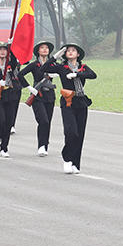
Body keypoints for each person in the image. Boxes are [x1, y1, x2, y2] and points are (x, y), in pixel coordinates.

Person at [38, 43, 96, 174]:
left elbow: (93, 75)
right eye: (68, 51)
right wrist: (55, 57)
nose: (70, 52)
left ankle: (76, 163)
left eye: (73, 50)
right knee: (71, 132)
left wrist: (77, 75)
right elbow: (43, 69)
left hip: (81, 101)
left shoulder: (83, 67)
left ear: (78, 54)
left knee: (80, 134)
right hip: (68, 102)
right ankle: (67, 159)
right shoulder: (62, 67)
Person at [19, 41, 57, 157]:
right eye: (42, 48)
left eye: (47, 48)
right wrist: (29, 87)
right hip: (38, 95)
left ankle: (45, 145)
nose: (45, 50)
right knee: (43, 121)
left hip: (50, 95)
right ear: (38, 51)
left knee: (48, 122)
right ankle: (41, 145)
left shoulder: (53, 65)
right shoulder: (35, 64)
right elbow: (20, 74)